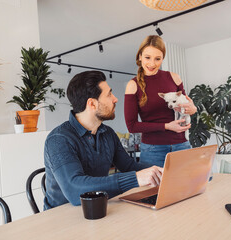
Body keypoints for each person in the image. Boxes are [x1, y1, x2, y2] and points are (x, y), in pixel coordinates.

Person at [44, 71, 163, 210]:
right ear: (92, 104)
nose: (115, 99)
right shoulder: (59, 139)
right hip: (62, 217)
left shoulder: (108, 133)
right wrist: (135, 179)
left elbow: (129, 166)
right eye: (109, 94)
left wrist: (164, 171)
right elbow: (74, 190)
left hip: (98, 208)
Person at [124, 35, 197, 167]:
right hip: (153, 150)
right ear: (140, 56)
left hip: (181, 145)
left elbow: (184, 106)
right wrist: (167, 126)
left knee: (188, 187)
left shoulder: (174, 78)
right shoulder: (132, 85)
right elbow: (132, 126)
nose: (152, 64)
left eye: (157, 59)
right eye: (147, 57)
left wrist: (192, 109)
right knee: (155, 188)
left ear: (163, 58)